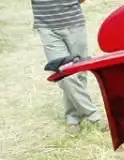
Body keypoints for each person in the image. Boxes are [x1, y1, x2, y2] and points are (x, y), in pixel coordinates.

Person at [32, 0, 107, 135]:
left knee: (80, 72)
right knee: (64, 73)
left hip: (74, 23)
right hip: (47, 27)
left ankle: (73, 117)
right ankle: (93, 116)